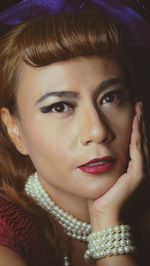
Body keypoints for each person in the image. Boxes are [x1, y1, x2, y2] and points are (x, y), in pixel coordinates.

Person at [0, 1, 150, 266]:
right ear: (15, 129)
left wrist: (106, 220)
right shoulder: (6, 236)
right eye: (59, 106)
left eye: (111, 97)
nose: (97, 131)